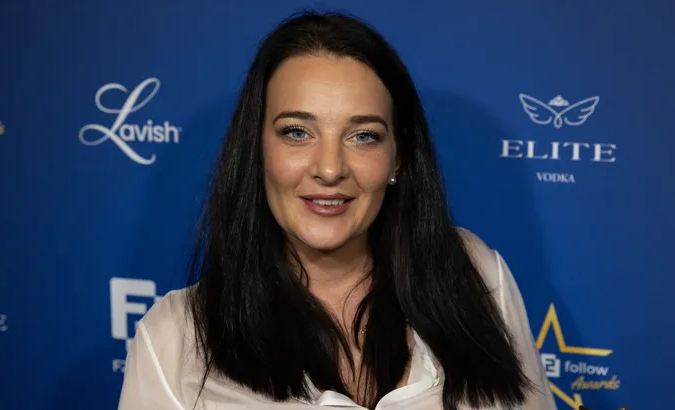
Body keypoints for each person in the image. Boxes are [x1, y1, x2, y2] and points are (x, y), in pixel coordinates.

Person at [118, 10, 556, 410]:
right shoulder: (174, 339)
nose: (329, 169)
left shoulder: (477, 275)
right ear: (257, 148)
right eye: (297, 132)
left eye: (363, 136)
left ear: (398, 157)